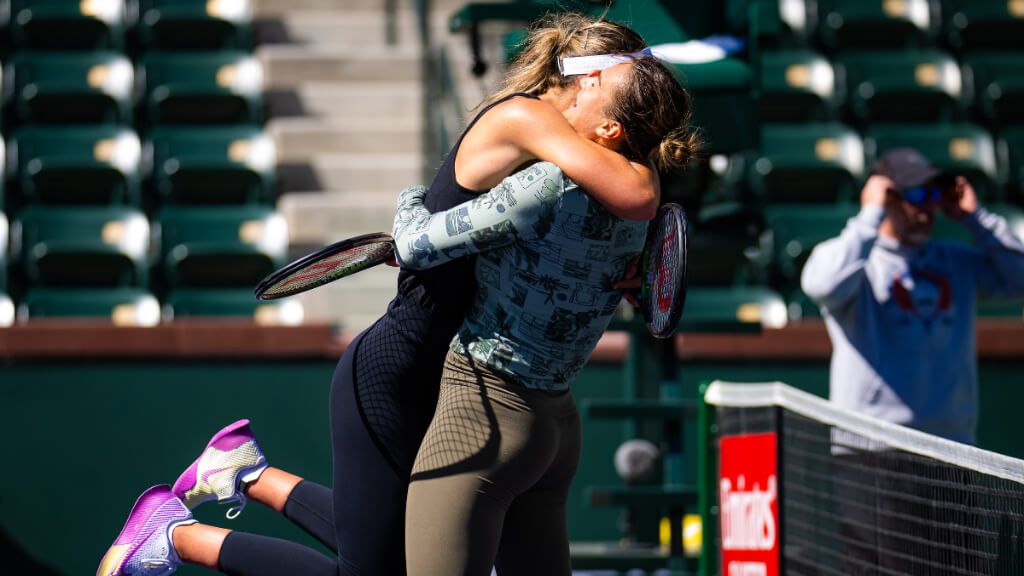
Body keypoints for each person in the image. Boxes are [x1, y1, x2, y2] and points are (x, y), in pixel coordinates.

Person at [97, 14, 668, 576]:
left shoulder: (577, 161)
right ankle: (178, 534)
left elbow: (618, 196)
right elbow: (635, 189)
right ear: (586, 82)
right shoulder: (530, 118)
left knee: (381, 555)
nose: (636, 146)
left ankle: (243, 473)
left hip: (462, 380)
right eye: (629, 116)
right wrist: (412, 208)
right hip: (400, 365)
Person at [393, 56, 697, 576]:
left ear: (610, 128)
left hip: (484, 413)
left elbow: (415, 244)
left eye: (597, 82)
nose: (582, 82)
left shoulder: (548, 186)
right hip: (554, 430)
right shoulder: (643, 196)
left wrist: (412, 197)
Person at [800, 147, 1024, 574]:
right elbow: (820, 283)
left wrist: (975, 218)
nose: (927, 210)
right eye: (915, 196)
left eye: (933, 196)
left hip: (952, 457)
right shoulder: (854, 264)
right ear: (888, 197)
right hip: (872, 457)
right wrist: (868, 218)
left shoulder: (955, 262)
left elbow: (1020, 276)